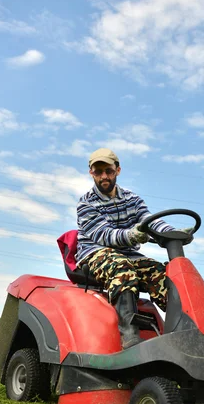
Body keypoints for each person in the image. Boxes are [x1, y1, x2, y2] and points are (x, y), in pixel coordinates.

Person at [76, 147, 188, 349]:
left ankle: (185, 333)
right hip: (95, 253)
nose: (104, 176)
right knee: (122, 268)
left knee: (161, 273)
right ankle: (129, 336)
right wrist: (131, 235)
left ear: (117, 170)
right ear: (91, 173)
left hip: (128, 254)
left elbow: (150, 221)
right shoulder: (86, 204)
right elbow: (105, 235)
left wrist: (174, 233)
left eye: (108, 171)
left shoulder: (132, 199)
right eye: (98, 171)